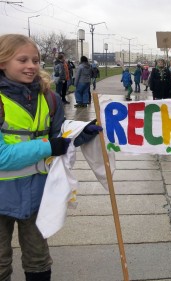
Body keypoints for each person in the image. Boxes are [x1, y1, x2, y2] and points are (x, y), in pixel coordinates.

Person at [0, 33, 101, 281]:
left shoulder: (49, 97)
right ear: (2, 62)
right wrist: (49, 146)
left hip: (37, 195)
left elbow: (58, 136)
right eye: (22, 60)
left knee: (38, 260)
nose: (31, 66)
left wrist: (79, 134)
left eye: (35, 60)